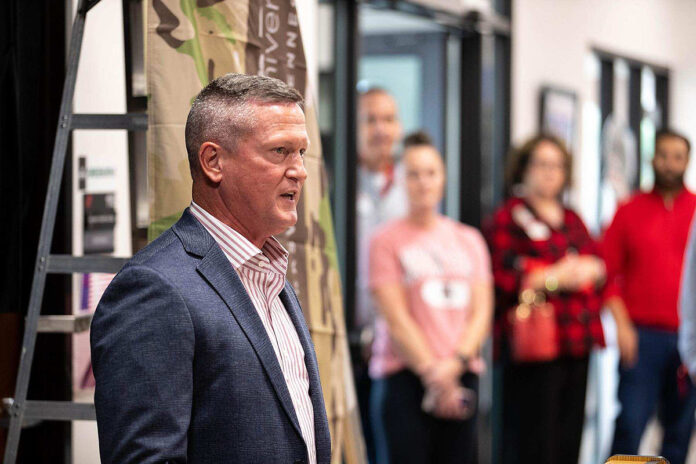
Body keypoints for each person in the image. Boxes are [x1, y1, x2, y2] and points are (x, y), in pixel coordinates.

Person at [90, 73, 331, 464]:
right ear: (213, 162)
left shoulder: (272, 277)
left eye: (301, 152)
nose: (299, 170)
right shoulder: (154, 289)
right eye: (279, 151)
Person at [368, 131, 493, 464]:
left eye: (431, 173)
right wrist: (433, 375)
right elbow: (396, 319)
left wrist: (454, 367)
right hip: (404, 380)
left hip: (461, 373)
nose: (423, 182)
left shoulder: (469, 240)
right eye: (413, 173)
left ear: (443, 178)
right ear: (400, 179)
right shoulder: (384, 241)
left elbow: (481, 313)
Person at [485, 134, 606, 464]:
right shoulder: (508, 217)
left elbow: (597, 266)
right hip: (533, 347)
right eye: (542, 164)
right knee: (532, 441)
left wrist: (549, 274)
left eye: (557, 165)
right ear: (523, 168)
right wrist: (557, 276)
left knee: (570, 437)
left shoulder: (572, 218)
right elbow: (504, 275)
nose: (550, 172)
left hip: (576, 341)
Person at [605, 129, 696, 464]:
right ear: (652, 158)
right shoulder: (629, 211)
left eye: (677, 156)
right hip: (641, 337)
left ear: (687, 161)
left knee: (680, 433)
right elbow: (608, 275)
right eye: (663, 155)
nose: (669, 164)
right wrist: (623, 327)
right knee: (629, 426)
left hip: (688, 339)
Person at [354, 87, 407, 462]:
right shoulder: (332, 184)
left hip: (400, 346)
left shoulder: (412, 186)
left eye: (388, 119)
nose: (380, 129)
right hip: (349, 342)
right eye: (370, 119)